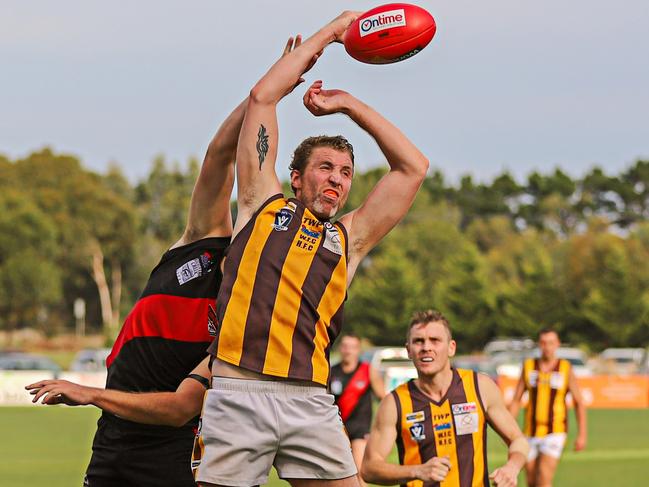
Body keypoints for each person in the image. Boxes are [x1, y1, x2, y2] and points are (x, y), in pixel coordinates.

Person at [26, 36, 305, 487]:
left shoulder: (247, 318)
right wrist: (268, 91)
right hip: (112, 442)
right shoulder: (206, 240)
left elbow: (179, 410)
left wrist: (93, 395)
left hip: (169, 455)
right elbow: (219, 156)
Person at [195, 10, 430, 487]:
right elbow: (262, 98)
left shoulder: (348, 239)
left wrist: (347, 104)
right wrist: (335, 32)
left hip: (311, 400)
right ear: (297, 177)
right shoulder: (262, 204)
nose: (337, 180)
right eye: (326, 168)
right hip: (239, 392)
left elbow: (413, 168)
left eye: (345, 173)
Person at [362, 310, 529, 487]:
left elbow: (519, 441)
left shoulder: (479, 387)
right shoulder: (395, 403)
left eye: (435, 340)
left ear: (451, 347)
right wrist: (416, 471)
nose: (426, 347)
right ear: (409, 350)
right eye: (418, 341)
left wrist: (512, 468)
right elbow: (369, 468)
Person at [508, 328, 587, 487]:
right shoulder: (529, 366)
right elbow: (516, 400)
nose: (547, 347)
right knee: (531, 481)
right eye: (543, 343)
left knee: (544, 479)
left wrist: (582, 435)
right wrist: (508, 430)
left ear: (557, 344)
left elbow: (579, 402)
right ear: (539, 344)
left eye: (551, 343)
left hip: (554, 432)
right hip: (529, 432)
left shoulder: (565, 368)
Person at [330, 334, 386, 486]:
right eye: (345, 346)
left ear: (358, 350)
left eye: (352, 347)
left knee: (359, 472)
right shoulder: (332, 372)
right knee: (337, 476)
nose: (348, 350)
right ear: (340, 348)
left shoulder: (368, 370)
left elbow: (384, 398)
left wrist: (381, 427)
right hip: (338, 431)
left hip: (360, 431)